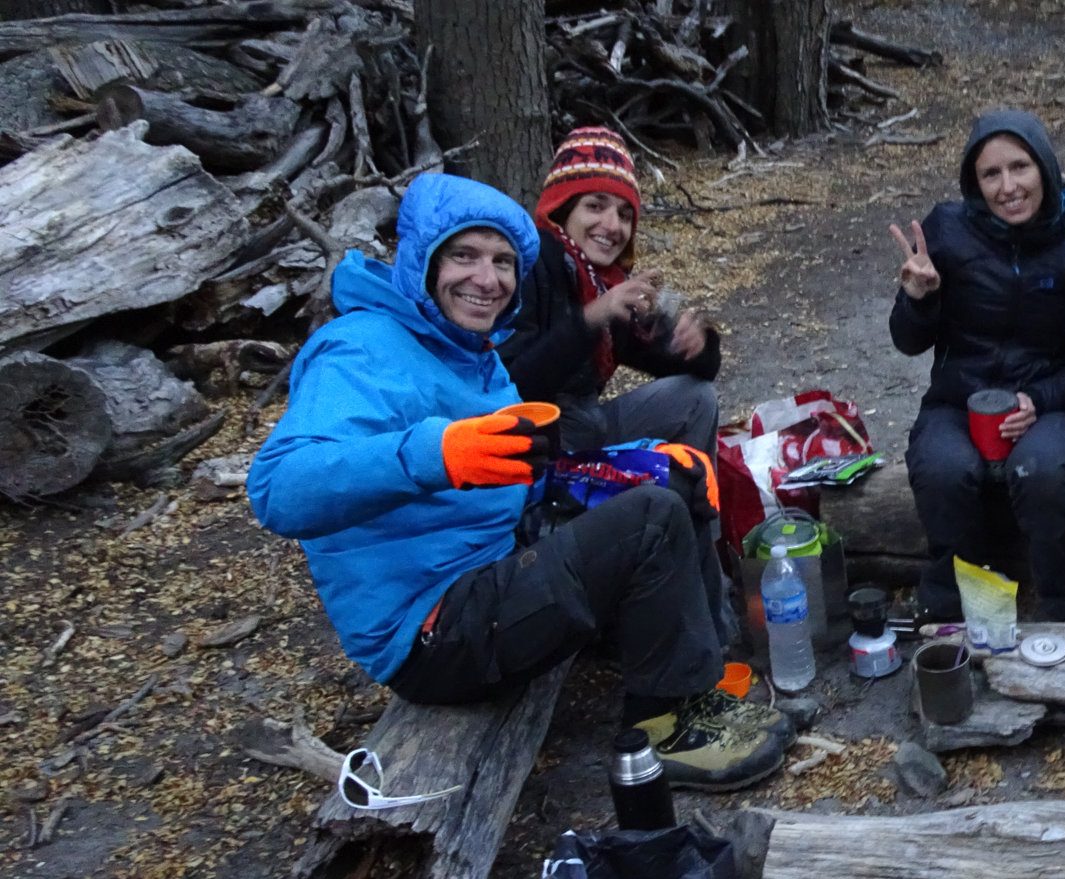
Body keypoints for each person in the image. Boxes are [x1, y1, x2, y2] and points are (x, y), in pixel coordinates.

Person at [248, 172, 792, 792]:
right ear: (421, 258)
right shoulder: (359, 350)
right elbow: (277, 490)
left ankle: (689, 669)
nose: (488, 279)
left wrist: (648, 458)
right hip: (433, 629)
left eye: (503, 262)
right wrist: (437, 453)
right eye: (464, 255)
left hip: (494, 558)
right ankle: (667, 729)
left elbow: (528, 476)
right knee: (650, 520)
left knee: (667, 488)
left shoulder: (468, 349)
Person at [888, 109, 1065, 619]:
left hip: (1042, 404)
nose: (1008, 187)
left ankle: (1061, 608)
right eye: (991, 174)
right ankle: (951, 611)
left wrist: (1043, 398)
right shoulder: (947, 230)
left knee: (1047, 470)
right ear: (974, 182)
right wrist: (918, 299)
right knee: (944, 470)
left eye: (1020, 167)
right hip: (956, 400)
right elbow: (907, 342)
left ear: (1044, 168)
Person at [499, 126, 723, 456]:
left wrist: (697, 346)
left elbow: (666, 363)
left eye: (624, 213)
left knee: (696, 400)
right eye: (595, 206)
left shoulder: (605, 281)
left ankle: (697, 506)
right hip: (536, 450)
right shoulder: (529, 265)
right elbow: (512, 389)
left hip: (588, 430)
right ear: (563, 209)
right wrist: (590, 319)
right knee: (657, 503)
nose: (612, 225)